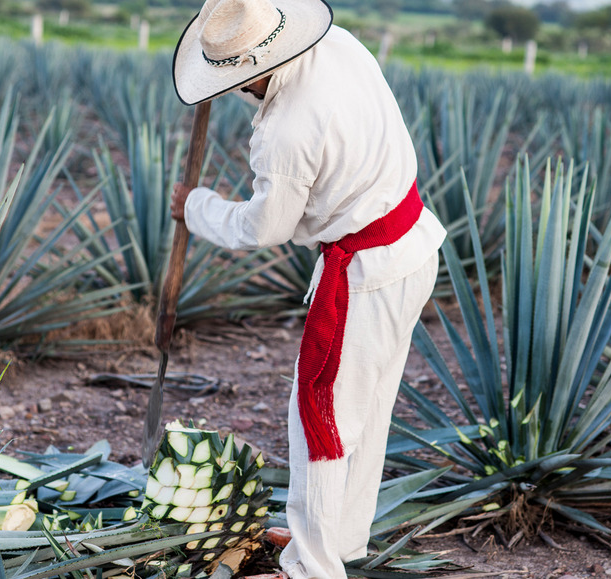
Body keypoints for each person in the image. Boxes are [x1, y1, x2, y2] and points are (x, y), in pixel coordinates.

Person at [170, 0, 446, 577]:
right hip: (414, 242)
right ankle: (336, 540)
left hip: (365, 273)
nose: (230, 91)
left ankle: (311, 567)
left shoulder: (287, 130)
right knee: (364, 412)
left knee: (320, 421)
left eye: (233, 80)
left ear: (253, 70)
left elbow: (266, 228)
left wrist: (197, 208)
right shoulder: (337, 44)